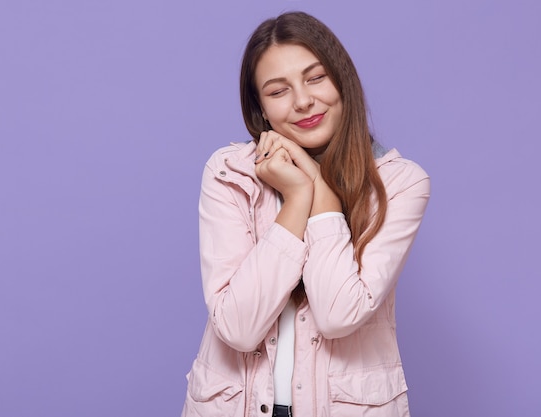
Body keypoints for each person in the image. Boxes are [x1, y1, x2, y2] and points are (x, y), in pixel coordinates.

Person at [181, 11, 430, 417]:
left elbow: (337, 315)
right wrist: (297, 197)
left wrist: (320, 193)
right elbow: (238, 329)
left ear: (342, 79)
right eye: (278, 91)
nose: (302, 101)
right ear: (260, 108)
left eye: (316, 78)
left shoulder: (400, 183)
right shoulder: (230, 173)